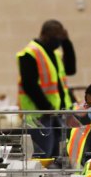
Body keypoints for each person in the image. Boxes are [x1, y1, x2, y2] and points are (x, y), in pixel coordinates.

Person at [17, 19, 77, 157]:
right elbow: (29, 85)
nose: (57, 41)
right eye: (55, 38)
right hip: (40, 116)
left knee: (59, 157)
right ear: (44, 34)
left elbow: (71, 69)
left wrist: (67, 42)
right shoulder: (29, 53)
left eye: (60, 38)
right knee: (43, 156)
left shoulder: (54, 54)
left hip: (57, 113)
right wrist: (47, 108)